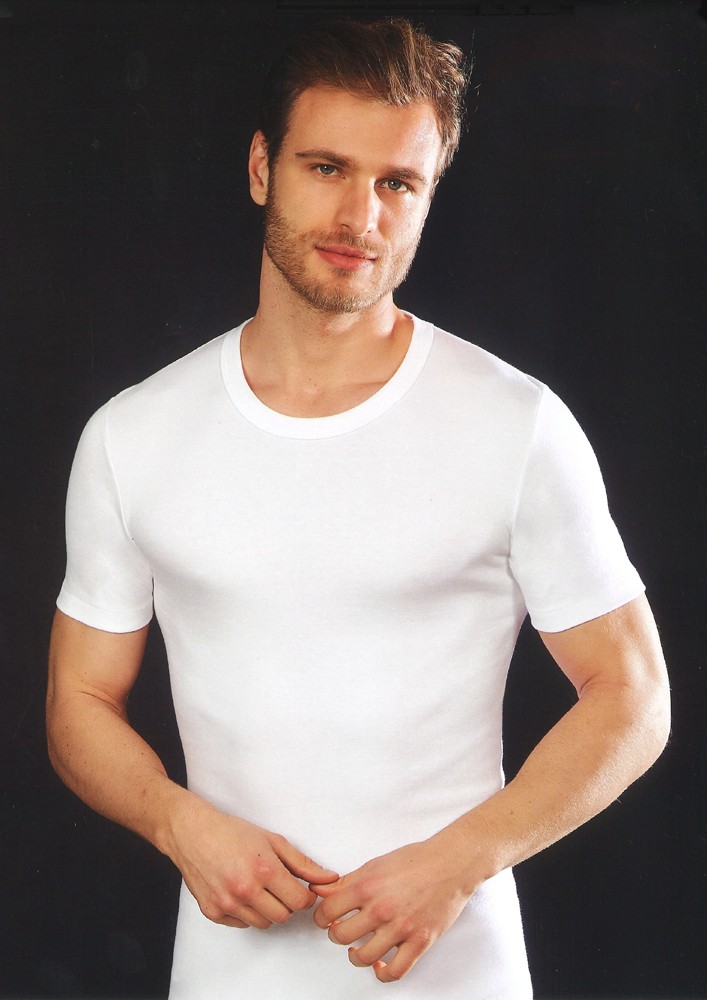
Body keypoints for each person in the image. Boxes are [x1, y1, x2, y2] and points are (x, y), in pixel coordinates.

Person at [46, 17, 671, 1000]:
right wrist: (177, 821)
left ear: (428, 194)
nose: (360, 216)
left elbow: (632, 695)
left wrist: (458, 860)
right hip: (225, 976)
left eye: (397, 183)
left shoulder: (513, 424)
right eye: (326, 168)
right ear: (262, 167)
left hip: (455, 971)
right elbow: (77, 702)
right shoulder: (134, 435)